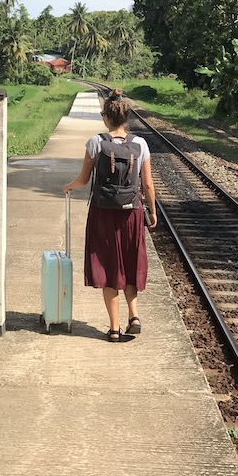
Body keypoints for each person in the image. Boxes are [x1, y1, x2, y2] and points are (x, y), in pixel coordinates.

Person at [63, 89, 157, 342]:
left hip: (103, 212)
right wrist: (153, 210)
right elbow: (147, 184)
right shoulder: (140, 144)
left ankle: (114, 329)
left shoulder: (95, 142)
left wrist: (69, 186)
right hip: (132, 212)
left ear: (106, 117)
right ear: (126, 117)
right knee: (129, 262)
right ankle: (134, 315)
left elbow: (83, 180)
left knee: (108, 266)